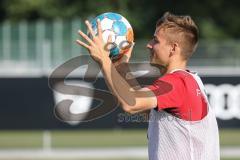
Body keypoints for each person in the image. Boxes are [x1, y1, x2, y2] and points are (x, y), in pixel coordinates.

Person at [76, 12, 220, 160]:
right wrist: (122, 67)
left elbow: (130, 103)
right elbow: (145, 108)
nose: (149, 44)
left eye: (155, 40)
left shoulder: (177, 83)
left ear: (173, 48)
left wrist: (104, 61)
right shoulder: (188, 80)